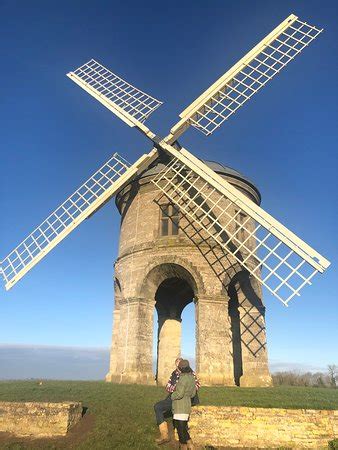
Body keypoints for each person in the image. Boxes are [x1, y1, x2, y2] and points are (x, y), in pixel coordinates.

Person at [154, 357, 200, 445]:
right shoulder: (174, 373)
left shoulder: (191, 374)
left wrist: (180, 390)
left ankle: (187, 444)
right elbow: (168, 386)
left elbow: (196, 385)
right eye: (177, 365)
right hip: (175, 398)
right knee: (158, 406)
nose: (178, 367)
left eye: (179, 364)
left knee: (181, 426)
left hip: (184, 400)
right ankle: (164, 435)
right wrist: (176, 389)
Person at [171, 359, 196, 450]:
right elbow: (193, 394)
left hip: (179, 406)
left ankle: (184, 447)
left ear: (180, 368)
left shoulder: (182, 378)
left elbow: (179, 394)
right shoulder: (191, 377)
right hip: (187, 405)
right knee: (183, 429)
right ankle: (191, 446)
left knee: (180, 431)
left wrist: (172, 396)